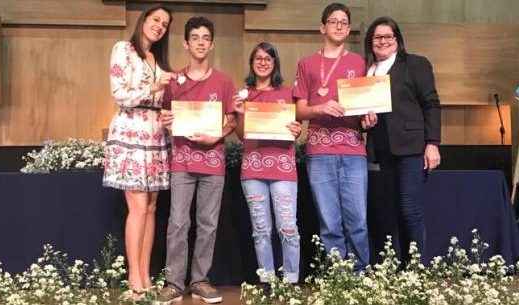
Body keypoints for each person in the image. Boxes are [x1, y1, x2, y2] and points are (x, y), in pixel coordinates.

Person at [157, 16, 237, 304]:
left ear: (212, 44)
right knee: (177, 223)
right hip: (182, 161)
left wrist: (217, 134)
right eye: (195, 38)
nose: (201, 42)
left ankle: (200, 280)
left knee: (208, 224)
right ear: (186, 43)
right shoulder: (174, 81)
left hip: (213, 161)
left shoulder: (224, 81)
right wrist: (166, 122)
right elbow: (166, 118)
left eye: (206, 38)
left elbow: (231, 121)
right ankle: (174, 283)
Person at [293, 2, 377, 270]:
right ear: (322, 27)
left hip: (353, 150)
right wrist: (320, 107)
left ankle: (361, 276)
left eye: (343, 22)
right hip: (319, 152)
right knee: (329, 222)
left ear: (349, 28)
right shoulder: (306, 63)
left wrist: (369, 119)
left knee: (358, 220)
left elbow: (369, 107)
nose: (339, 26)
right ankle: (338, 277)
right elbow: (298, 109)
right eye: (333, 21)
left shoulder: (360, 63)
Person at [102, 4, 174, 299]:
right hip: (131, 132)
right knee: (138, 207)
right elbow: (119, 93)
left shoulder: (157, 58)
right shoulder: (123, 48)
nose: (159, 26)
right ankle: (134, 278)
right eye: (155, 19)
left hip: (156, 136)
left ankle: (145, 274)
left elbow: (160, 97)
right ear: (143, 19)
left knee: (152, 207)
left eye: (165, 23)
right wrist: (155, 86)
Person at [363, 16, 442, 262]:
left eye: (388, 36)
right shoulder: (367, 71)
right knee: (392, 212)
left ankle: (415, 269)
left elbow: (431, 104)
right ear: (370, 41)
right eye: (378, 37)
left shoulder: (415, 64)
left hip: (412, 148)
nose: (383, 41)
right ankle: (398, 267)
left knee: (410, 210)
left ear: (397, 40)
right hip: (382, 150)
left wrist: (432, 144)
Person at [233, 42, 302, 284]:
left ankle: (291, 280)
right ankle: (267, 281)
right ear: (252, 63)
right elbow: (241, 135)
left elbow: (295, 129)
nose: (263, 62)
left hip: (283, 169)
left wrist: (297, 129)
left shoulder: (288, 94)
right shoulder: (244, 95)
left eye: (268, 58)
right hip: (253, 170)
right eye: (258, 58)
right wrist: (240, 113)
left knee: (288, 228)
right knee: (261, 230)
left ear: (275, 64)